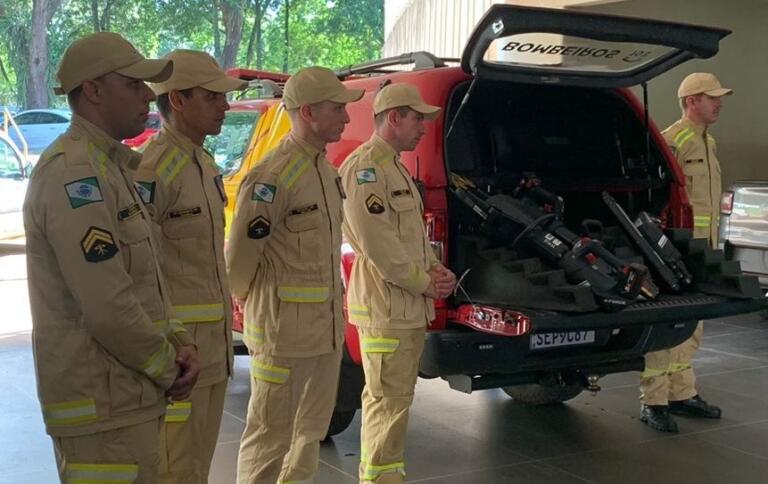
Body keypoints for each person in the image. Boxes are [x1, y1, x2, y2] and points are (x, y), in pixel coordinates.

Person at [22, 32, 199, 483]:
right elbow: (107, 303)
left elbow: (146, 280)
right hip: (102, 409)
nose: (147, 96)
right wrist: (166, 367)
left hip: (126, 399)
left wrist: (179, 340)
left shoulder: (112, 168)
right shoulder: (74, 174)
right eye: (134, 85)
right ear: (94, 91)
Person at [227, 66, 363, 483]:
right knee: (269, 436)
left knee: (308, 434)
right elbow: (240, 260)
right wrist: (257, 311)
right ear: (308, 112)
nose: (346, 117)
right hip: (283, 334)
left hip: (323, 334)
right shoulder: (271, 175)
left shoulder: (324, 170)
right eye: (337, 108)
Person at [136, 49, 246, 483]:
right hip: (178, 353)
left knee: (196, 466)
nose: (225, 105)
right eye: (213, 96)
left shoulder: (202, 163)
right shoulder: (153, 169)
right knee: (174, 468)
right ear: (177, 100)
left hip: (211, 352)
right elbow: (140, 268)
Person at [339, 83, 456, 483]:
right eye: (417, 118)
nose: (423, 127)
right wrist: (424, 283)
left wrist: (436, 270)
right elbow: (380, 247)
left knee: (394, 404)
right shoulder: (365, 169)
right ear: (394, 117)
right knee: (386, 405)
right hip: (386, 308)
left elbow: (409, 240)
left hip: (402, 307)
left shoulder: (393, 167)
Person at [640, 72, 731, 432]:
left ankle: (683, 393)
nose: (719, 103)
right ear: (692, 101)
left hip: (701, 248)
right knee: (666, 324)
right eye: (712, 97)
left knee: (693, 324)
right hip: (677, 249)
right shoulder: (673, 141)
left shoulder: (708, 142)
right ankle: (654, 401)